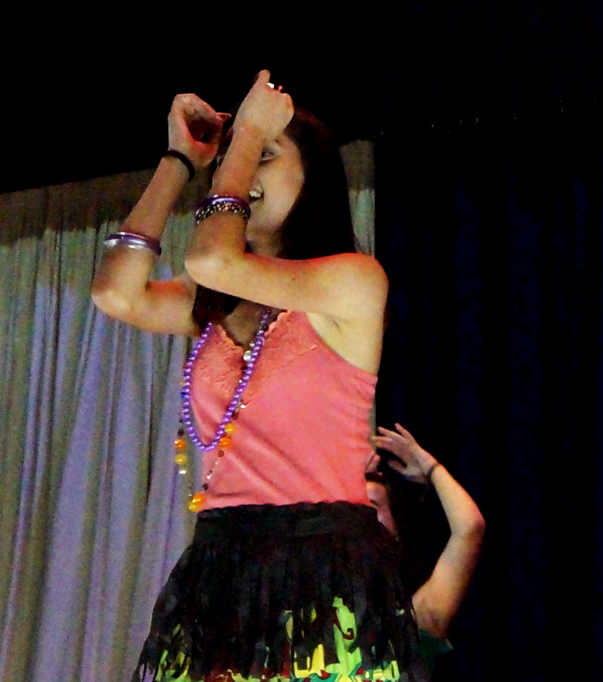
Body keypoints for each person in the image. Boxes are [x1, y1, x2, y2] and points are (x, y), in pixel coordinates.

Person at [91, 70, 417, 681]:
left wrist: (242, 135)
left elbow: (212, 256)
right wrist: (180, 159)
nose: (240, 175)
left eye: (266, 155)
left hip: (322, 568)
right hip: (222, 564)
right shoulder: (211, 302)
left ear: (313, 175)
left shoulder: (352, 280)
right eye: (237, 164)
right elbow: (116, 294)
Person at [367, 424, 486, 680]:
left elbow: (469, 528)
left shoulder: (417, 614)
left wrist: (431, 468)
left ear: (396, 528)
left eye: (372, 507)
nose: (361, 516)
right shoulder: (312, 606)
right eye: (353, 506)